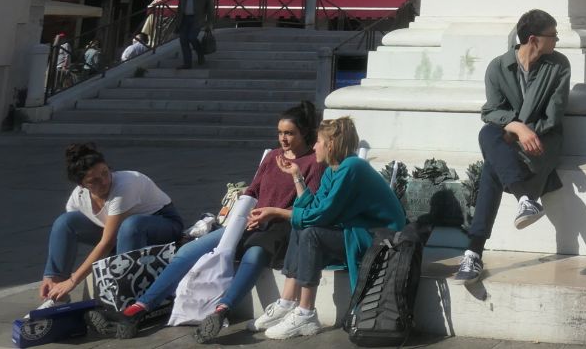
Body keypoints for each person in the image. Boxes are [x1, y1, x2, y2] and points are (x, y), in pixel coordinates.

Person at [114, 102, 323, 342]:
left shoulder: (313, 162)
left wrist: (270, 213)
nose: (283, 138)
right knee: (189, 250)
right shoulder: (273, 156)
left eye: (289, 133)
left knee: (253, 256)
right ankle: (141, 306)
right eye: (280, 133)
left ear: (303, 133)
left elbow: (307, 205)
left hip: (279, 228)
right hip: (249, 221)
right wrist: (243, 208)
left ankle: (222, 310)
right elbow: (254, 189)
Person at [255, 116, 404, 340]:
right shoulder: (334, 169)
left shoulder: (352, 167)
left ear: (331, 144)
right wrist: (297, 175)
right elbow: (314, 206)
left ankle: (305, 313)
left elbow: (323, 215)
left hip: (380, 240)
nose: (314, 146)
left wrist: (276, 211)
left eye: (318, 141)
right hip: (357, 232)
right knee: (302, 226)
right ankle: (287, 302)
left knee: (311, 232)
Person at [454, 9, 570, 282]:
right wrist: (517, 127)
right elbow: (491, 111)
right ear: (533, 39)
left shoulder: (558, 65)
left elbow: (553, 116)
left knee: (491, 158)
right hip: (509, 144)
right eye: (553, 35)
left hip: (540, 144)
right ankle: (524, 200)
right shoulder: (498, 67)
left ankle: (473, 252)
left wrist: (521, 131)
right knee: (488, 136)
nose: (557, 40)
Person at [39, 144, 185, 304]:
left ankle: (126, 293)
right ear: (82, 185)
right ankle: (56, 291)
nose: (104, 181)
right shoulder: (78, 197)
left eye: (105, 173)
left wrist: (73, 281)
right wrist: (49, 276)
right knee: (65, 222)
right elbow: (70, 234)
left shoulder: (125, 184)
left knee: (130, 225)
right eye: (94, 180)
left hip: (162, 225)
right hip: (121, 234)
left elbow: (107, 242)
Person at [177, 0, 213, 69]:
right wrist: (177, 21)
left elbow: (210, 8)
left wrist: (209, 23)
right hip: (184, 18)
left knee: (192, 38)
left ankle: (200, 54)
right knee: (183, 40)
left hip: (197, 19)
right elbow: (180, 6)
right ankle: (187, 63)